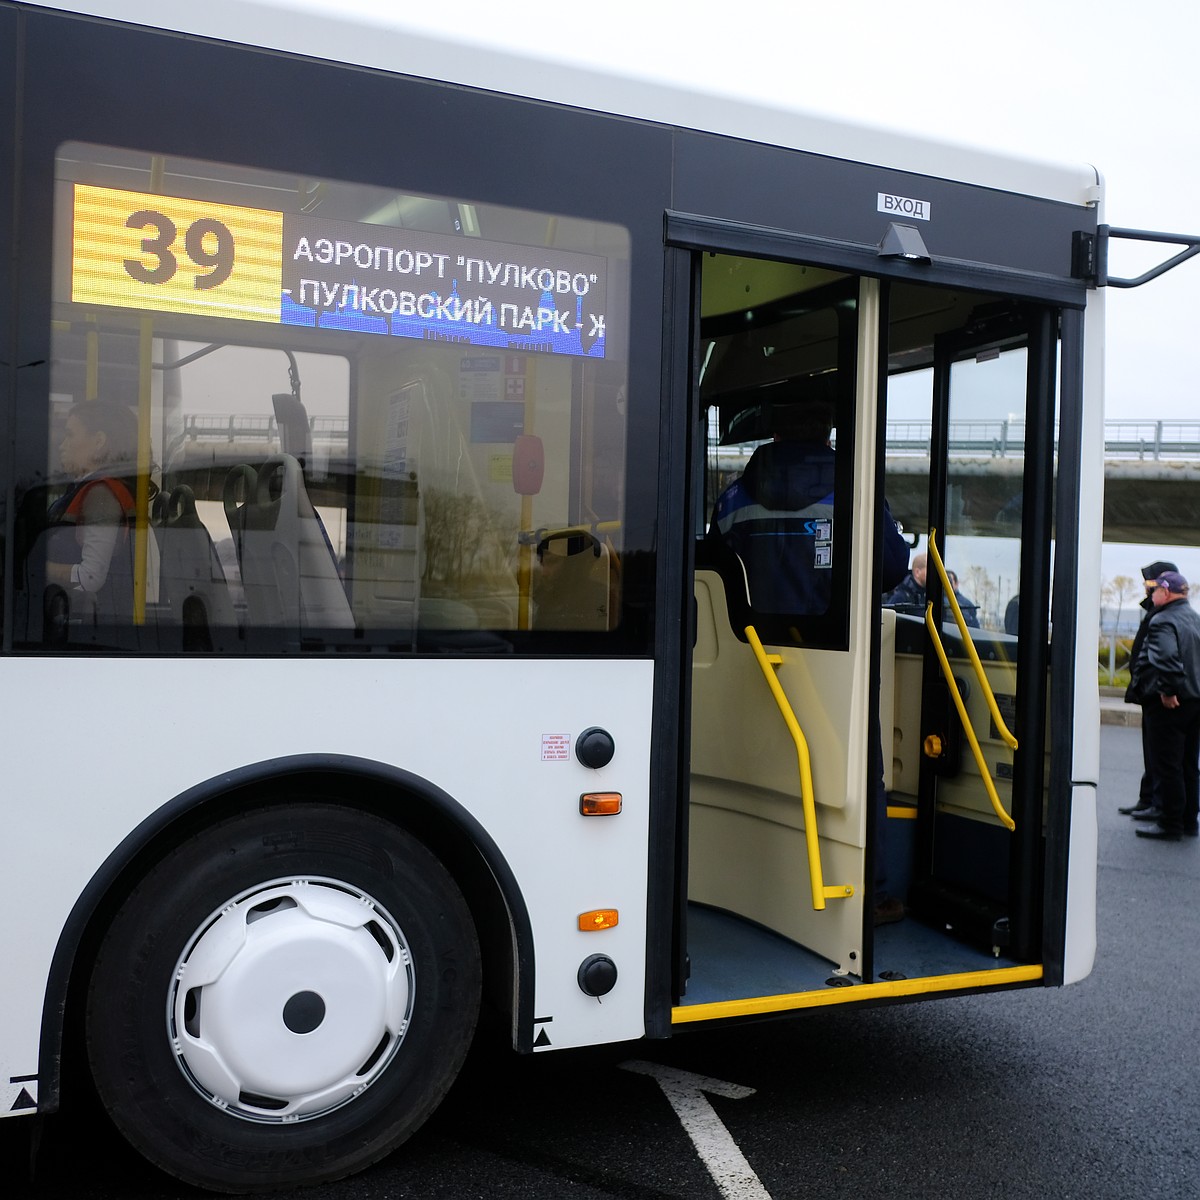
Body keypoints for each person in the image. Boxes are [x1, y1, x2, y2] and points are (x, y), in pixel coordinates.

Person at [711, 399, 909, 923]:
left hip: (747, 658)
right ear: (828, 431)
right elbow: (891, 568)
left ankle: (753, 885)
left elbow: (712, 571)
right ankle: (871, 893)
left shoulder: (733, 498)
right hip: (830, 662)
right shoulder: (855, 491)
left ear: (773, 432)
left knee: (757, 764)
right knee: (852, 771)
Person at [43, 400, 145, 625]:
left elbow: (90, 577)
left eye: (70, 435)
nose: (62, 445)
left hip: (89, 623)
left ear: (98, 441)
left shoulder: (101, 495)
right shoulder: (87, 488)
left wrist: (37, 568)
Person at [1130, 570, 1200, 841]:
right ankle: (1188, 821)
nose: (1151, 594)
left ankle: (1169, 823)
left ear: (1167, 592)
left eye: (1155, 589)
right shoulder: (1194, 618)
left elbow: (1168, 658)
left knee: (1167, 764)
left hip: (1169, 703)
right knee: (1188, 764)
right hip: (1194, 701)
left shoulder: (1162, 620)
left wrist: (1168, 691)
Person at [1118, 559, 1178, 818]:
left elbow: (1165, 657)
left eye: (1150, 583)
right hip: (1150, 692)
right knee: (1152, 751)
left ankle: (1156, 803)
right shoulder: (1156, 611)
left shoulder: (1164, 615)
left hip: (1157, 692)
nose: (1146, 588)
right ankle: (1148, 798)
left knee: (1160, 754)